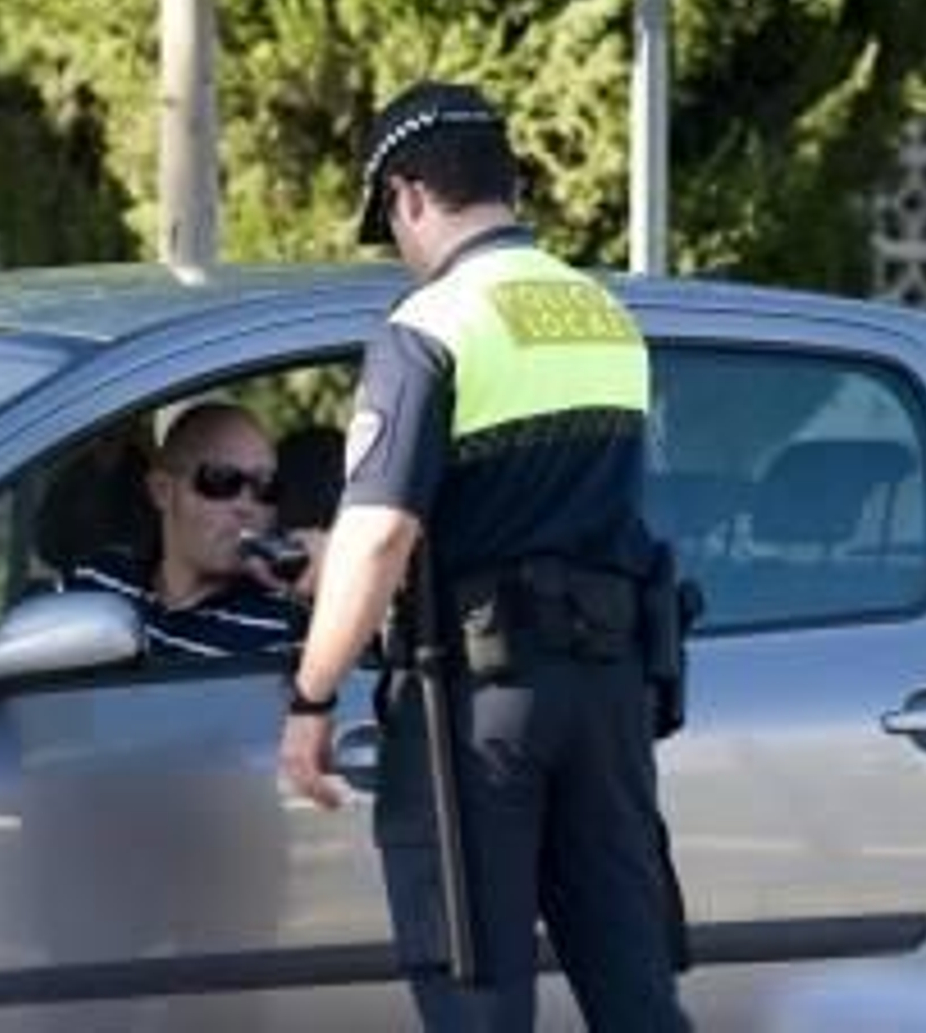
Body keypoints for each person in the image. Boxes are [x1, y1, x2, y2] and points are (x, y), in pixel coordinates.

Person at [277, 81, 691, 1031]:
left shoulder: (429, 327)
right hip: (610, 692)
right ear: (510, 185)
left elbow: (382, 533)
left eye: (391, 221)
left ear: (410, 194)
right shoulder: (602, 314)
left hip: (478, 706)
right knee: (634, 992)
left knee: (477, 995)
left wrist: (312, 697)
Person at [65, 401, 309, 657]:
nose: (246, 506)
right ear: (162, 491)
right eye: (221, 480)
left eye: (265, 486)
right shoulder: (98, 580)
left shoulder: (283, 626)